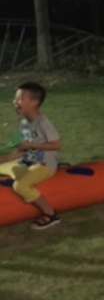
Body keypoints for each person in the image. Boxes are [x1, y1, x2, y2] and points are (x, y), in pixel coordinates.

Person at [0, 82, 61, 229]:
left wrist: (31, 145)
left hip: (44, 165)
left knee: (20, 186)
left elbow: (56, 145)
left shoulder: (43, 123)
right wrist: (6, 159)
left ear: (34, 102)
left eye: (20, 99)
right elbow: (24, 150)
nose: (15, 102)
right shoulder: (23, 123)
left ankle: (50, 213)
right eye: (15, 99)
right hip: (28, 161)